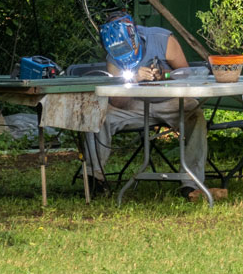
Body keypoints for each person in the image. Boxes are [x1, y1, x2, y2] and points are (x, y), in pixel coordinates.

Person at [86, 11, 207, 191]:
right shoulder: (113, 55)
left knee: (196, 117)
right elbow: (117, 101)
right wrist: (133, 78)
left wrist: (163, 75)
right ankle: (94, 178)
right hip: (135, 105)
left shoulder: (162, 40)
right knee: (98, 117)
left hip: (171, 102)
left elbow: (187, 75)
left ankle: (191, 183)